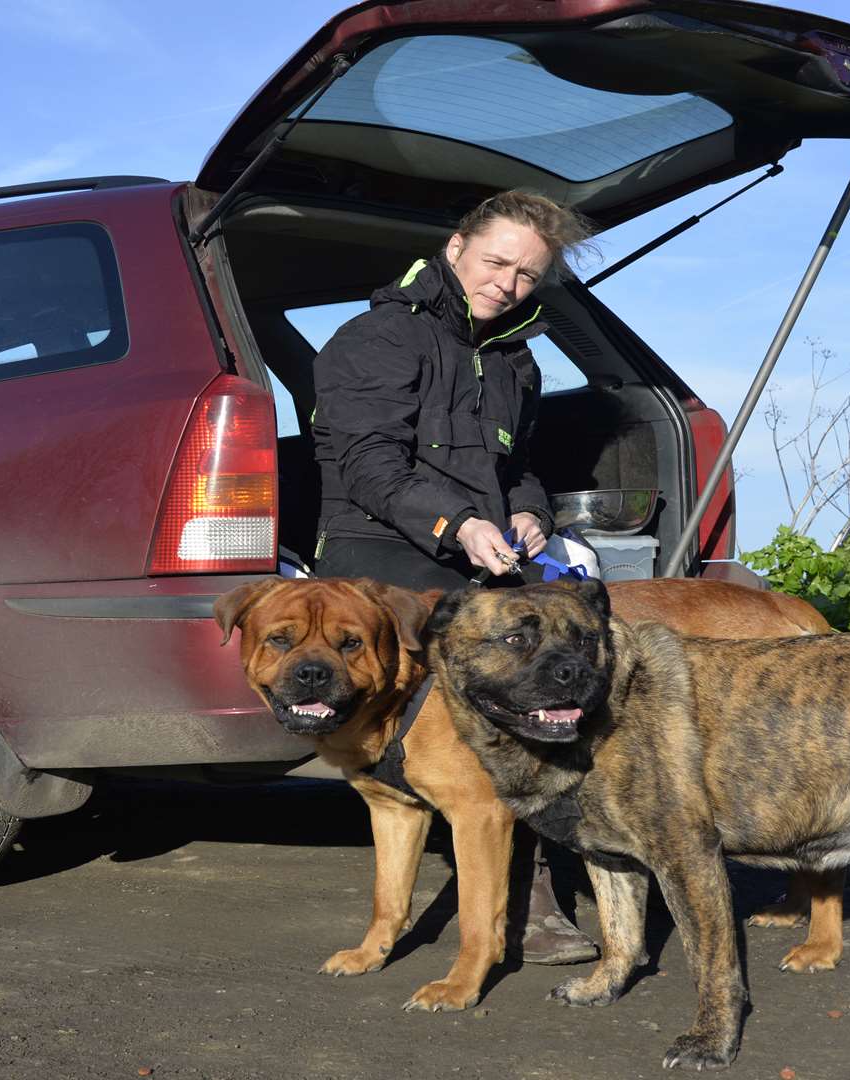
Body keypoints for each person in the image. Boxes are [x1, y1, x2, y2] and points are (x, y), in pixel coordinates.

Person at [309, 189, 599, 965]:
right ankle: (398, 918)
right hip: (380, 568)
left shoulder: (516, 359)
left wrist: (530, 514)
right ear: (456, 248)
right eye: (497, 262)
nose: (506, 284)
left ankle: (532, 901)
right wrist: (456, 523)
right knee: (406, 753)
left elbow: (517, 468)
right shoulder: (375, 339)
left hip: (480, 572)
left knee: (537, 709)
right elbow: (368, 464)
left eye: (527, 276)